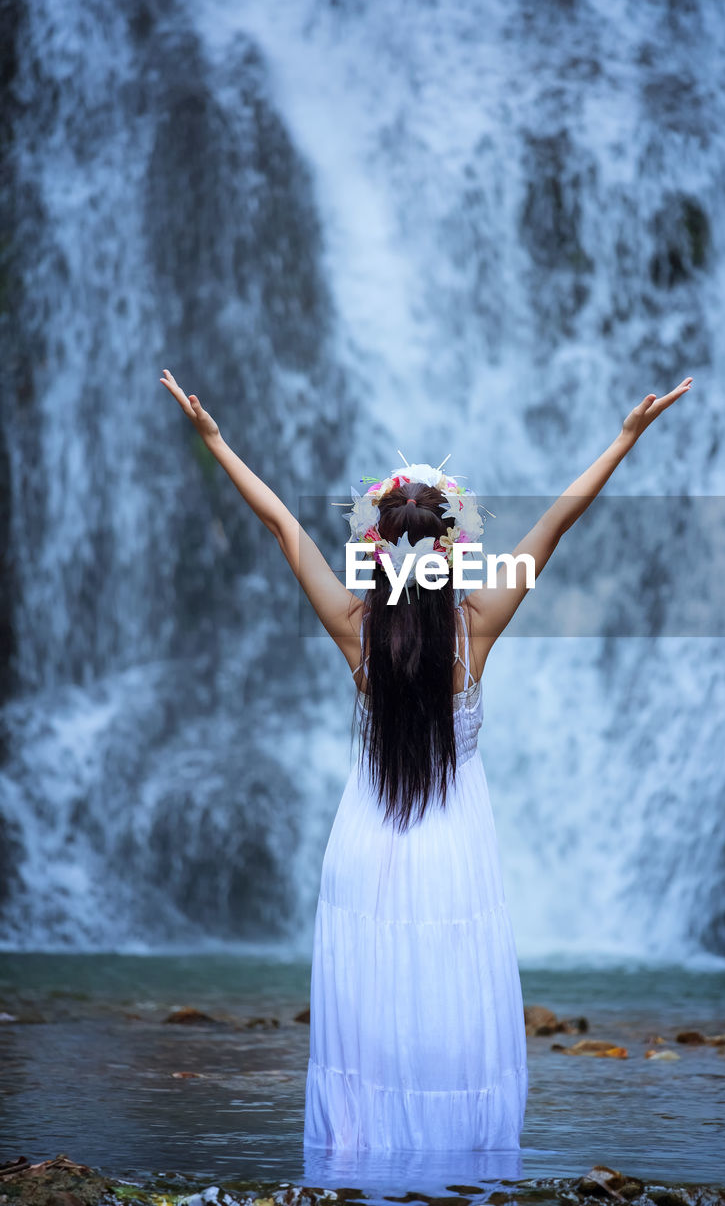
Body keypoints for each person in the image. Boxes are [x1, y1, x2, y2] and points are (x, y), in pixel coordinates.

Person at [159, 368, 693, 1155]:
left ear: (374, 548)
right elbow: (557, 523)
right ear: (453, 551)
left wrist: (215, 439)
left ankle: (363, 1157)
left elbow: (279, 525)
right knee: (447, 1001)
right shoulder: (478, 624)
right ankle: (459, 1163)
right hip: (452, 850)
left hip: (366, 843)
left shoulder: (353, 624)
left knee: (375, 1001)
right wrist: (623, 437)